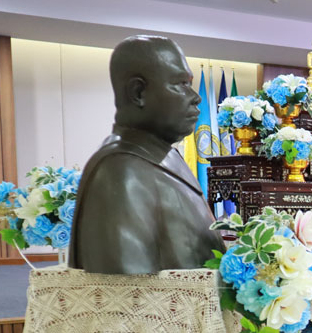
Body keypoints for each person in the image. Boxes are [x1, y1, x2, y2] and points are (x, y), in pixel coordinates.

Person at [70, 35, 224, 274]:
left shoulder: (157, 157)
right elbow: (127, 290)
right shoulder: (122, 171)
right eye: (181, 84)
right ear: (138, 92)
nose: (196, 97)